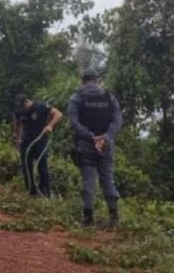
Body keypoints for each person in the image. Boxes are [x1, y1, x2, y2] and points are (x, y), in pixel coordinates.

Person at [67, 69, 122, 227]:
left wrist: (91, 137)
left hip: (85, 144)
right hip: (105, 145)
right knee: (107, 179)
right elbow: (117, 121)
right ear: (97, 80)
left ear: (82, 81)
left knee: (88, 180)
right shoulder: (109, 97)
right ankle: (114, 217)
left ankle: (88, 218)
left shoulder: (77, 97)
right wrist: (106, 137)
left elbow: (73, 122)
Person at [13, 94, 63, 197]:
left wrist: (50, 126)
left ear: (27, 102)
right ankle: (31, 192)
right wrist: (18, 139)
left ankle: (45, 192)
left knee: (42, 167)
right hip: (26, 141)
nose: (22, 110)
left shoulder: (41, 106)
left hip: (40, 139)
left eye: (23, 107)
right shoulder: (19, 110)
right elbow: (18, 123)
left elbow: (58, 114)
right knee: (26, 166)